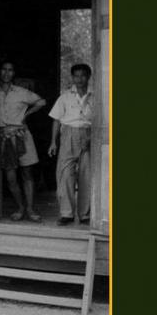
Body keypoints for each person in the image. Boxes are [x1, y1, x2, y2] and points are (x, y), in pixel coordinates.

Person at [0, 60, 46, 222]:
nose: (7, 73)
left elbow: (41, 101)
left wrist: (26, 115)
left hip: (22, 135)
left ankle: (30, 209)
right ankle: (20, 207)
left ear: (14, 73)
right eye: (4, 69)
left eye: (10, 70)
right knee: (10, 177)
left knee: (27, 173)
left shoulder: (21, 91)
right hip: (4, 137)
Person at [47, 63, 94, 226]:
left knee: (86, 175)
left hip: (88, 135)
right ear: (72, 78)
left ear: (88, 77)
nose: (79, 79)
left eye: (82, 75)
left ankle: (85, 214)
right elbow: (56, 120)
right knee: (65, 174)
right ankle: (66, 213)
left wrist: (93, 136)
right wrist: (53, 142)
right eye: (76, 76)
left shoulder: (95, 96)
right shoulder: (65, 97)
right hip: (68, 134)